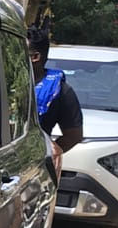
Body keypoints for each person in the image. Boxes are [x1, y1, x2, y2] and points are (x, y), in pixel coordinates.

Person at [29, 25, 83, 157]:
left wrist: (46, 157)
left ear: (35, 57)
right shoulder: (1, 82)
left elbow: (74, 135)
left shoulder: (61, 91)